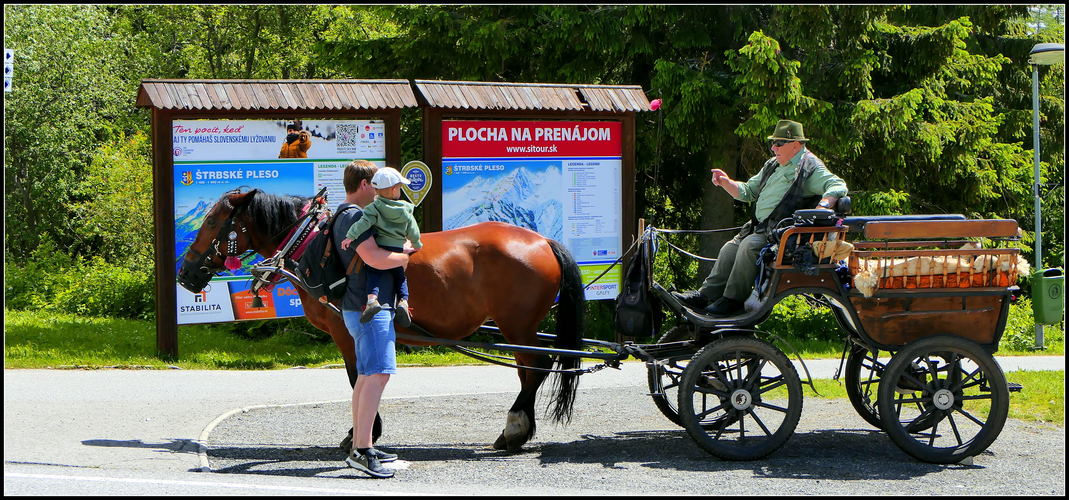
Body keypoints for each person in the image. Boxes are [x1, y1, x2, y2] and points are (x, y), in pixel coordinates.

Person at [673, 119, 848, 317]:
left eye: (779, 143)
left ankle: (733, 301)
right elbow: (748, 191)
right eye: (772, 143)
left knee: (749, 246)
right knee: (729, 248)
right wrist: (726, 182)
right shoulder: (773, 165)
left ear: (796, 144)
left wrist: (823, 206)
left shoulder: (810, 168)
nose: (773, 147)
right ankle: (705, 296)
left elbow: (838, 185)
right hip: (760, 227)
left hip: (782, 234)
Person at [334, 159, 413, 479]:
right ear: (366, 185)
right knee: (378, 373)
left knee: (368, 374)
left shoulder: (343, 214)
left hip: (359, 308)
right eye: (378, 185)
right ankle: (363, 450)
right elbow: (374, 258)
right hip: (371, 308)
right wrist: (407, 254)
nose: (385, 192)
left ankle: (360, 443)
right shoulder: (356, 216)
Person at [340, 166, 422, 328]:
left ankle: (372, 300)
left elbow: (363, 224)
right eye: (399, 187)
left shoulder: (374, 208)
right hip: (398, 248)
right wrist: (417, 244)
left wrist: (350, 236)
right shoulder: (406, 209)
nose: (399, 191)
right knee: (400, 278)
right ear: (393, 190)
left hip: (382, 245)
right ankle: (404, 302)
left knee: (374, 275)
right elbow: (413, 230)